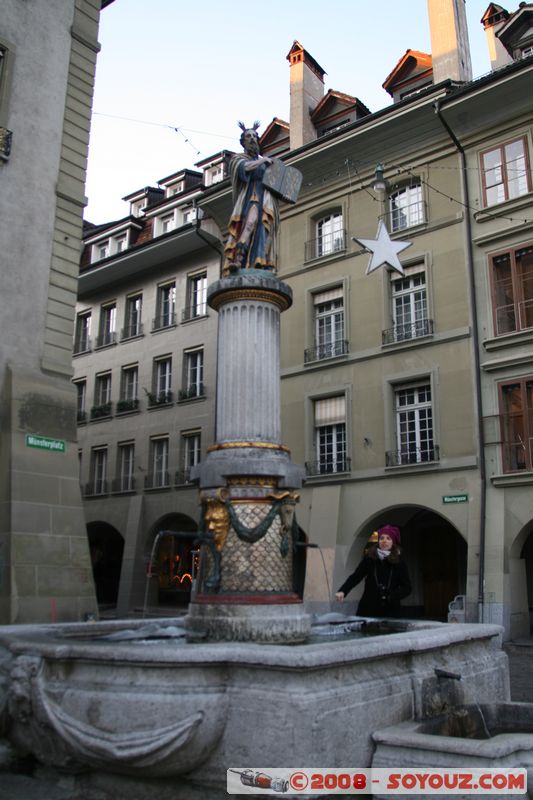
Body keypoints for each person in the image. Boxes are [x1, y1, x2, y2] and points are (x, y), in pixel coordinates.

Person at [223, 121, 280, 274]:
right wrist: (263, 161)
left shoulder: (266, 162)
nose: (252, 139)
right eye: (248, 136)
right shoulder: (238, 158)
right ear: (243, 142)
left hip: (266, 198)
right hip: (252, 195)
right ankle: (238, 260)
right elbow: (245, 168)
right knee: (249, 224)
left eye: (254, 136)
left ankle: (262, 261)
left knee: (264, 229)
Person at [335, 524, 411, 618]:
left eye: (388, 538)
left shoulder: (399, 563)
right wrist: (343, 591)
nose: (384, 541)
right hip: (368, 608)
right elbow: (356, 577)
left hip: (390, 610)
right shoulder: (369, 559)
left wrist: (391, 596)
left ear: (393, 543)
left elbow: (407, 588)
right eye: (382, 538)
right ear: (378, 541)